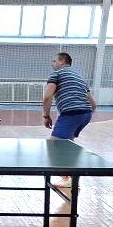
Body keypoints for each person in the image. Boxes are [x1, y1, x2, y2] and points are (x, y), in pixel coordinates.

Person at [42, 52, 97, 187]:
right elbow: (93, 104)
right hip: (86, 114)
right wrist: (84, 114)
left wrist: (46, 116)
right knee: (67, 145)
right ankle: (71, 177)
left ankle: (69, 177)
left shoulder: (56, 74)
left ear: (62, 62)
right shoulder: (79, 77)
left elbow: (47, 96)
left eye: (54, 61)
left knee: (53, 146)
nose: (52, 63)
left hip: (71, 114)